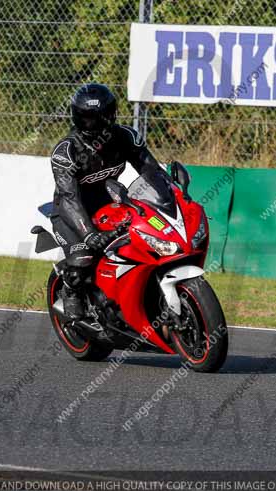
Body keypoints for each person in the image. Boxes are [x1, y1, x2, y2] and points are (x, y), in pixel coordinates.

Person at [50, 83, 167, 319]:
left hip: (110, 203)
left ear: (111, 114)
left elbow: (152, 171)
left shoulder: (126, 137)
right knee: (84, 256)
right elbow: (70, 197)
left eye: (100, 117)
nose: (93, 124)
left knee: (143, 241)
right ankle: (71, 291)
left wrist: (171, 197)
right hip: (71, 211)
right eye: (86, 118)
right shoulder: (66, 151)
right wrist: (89, 234)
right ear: (76, 117)